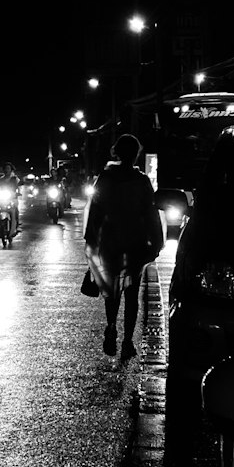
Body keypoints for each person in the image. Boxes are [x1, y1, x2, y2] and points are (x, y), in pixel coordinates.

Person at [83, 133, 164, 362]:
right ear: (136, 153)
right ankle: (128, 341)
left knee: (112, 292)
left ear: (116, 152)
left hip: (110, 242)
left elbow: (96, 212)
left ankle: (111, 327)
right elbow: (151, 214)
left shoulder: (106, 178)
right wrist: (156, 242)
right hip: (135, 243)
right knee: (132, 294)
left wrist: (91, 239)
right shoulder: (142, 181)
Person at [0, 162, 20, 237]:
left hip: (12, 199)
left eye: (8, 168)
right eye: (5, 168)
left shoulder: (15, 179)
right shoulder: (0, 180)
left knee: (14, 212)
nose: (6, 170)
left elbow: (19, 186)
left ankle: (13, 229)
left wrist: (17, 193)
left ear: (11, 170)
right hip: (2, 200)